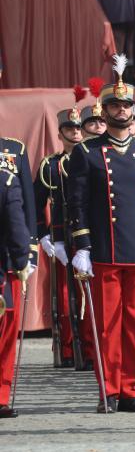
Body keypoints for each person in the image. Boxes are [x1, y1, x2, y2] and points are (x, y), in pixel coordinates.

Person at [68, 58, 135, 413]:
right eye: (114, 105)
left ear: (133, 110)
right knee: (108, 325)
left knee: (134, 323)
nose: (121, 111)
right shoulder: (87, 152)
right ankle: (108, 389)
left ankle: (129, 389)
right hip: (105, 249)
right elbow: (76, 203)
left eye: (126, 105)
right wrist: (81, 244)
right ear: (105, 110)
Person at [34, 105, 85, 368]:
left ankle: (87, 348)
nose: (75, 133)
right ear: (60, 133)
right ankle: (67, 348)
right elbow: (36, 203)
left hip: (89, 237)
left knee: (88, 295)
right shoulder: (50, 165)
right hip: (61, 239)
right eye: (69, 129)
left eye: (78, 128)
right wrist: (43, 236)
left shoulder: (93, 157)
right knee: (64, 298)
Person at [0, 169, 33, 419]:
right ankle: (0, 397)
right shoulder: (6, 180)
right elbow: (16, 227)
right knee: (4, 337)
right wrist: (22, 260)